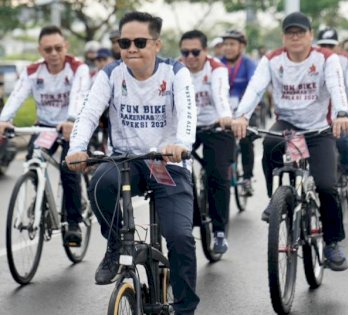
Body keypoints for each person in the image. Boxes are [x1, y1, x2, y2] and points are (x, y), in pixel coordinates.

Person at [65, 12, 199, 314]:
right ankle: (114, 246)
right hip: (128, 160)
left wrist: (181, 145)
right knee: (100, 182)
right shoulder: (111, 73)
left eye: (140, 42)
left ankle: (186, 307)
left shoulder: (176, 72)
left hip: (168, 162)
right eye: (124, 42)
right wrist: (77, 148)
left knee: (179, 236)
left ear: (156, 44)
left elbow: (188, 113)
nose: (131, 49)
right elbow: (88, 113)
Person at [231, 11, 348, 271]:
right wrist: (241, 116)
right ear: (284, 37)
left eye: (300, 32)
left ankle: (332, 243)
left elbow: (336, 87)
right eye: (289, 33)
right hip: (288, 127)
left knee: (326, 185)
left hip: (319, 129)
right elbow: (255, 88)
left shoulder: (326, 59)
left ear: (310, 35)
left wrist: (342, 112)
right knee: (268, 145)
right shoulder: (272, 60)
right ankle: (275, 199)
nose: (295, 37)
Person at [0, 25, 90, 246]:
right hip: (44, 128)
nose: (53, 54)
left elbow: (79, 95)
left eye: (58, 48)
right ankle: (41, 194)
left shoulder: (78, 68)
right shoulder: (33, 71)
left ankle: (74, 222)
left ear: (65, 47)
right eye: (48, 49)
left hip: (71, 126)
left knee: (69, 169)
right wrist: (3, 119)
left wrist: (71, 120)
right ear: (40, 50)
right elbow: (17, 95)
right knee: (33, 160)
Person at [180, 29, 234, 253]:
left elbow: (220, 95)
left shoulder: (217, 69)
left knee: (218, 175)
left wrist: (225, 116)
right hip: (187, 130)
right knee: (179, 170)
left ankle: (219, 231)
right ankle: (191, 220)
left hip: (216, 126)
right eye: (185, 52)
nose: (190, 57)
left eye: (195, 52)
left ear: (205, 51)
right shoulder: (177, 69)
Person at [316, 28, 348, 177]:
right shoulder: (310, 61)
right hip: (316, 115)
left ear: (338, 47)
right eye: (323, 46)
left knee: (342, 137)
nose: (326, 49)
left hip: (339, 111)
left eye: (330, 46)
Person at [220, 30, 257, 196]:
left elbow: (255, 88)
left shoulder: (249, 64)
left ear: (241, 46)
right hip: (224, 111)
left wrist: (244, 114)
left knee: (245, 139)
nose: (228, 47)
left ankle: (247, 178)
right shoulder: (217, 63)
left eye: (232, 44)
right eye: (225, 44)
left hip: (244, 111)